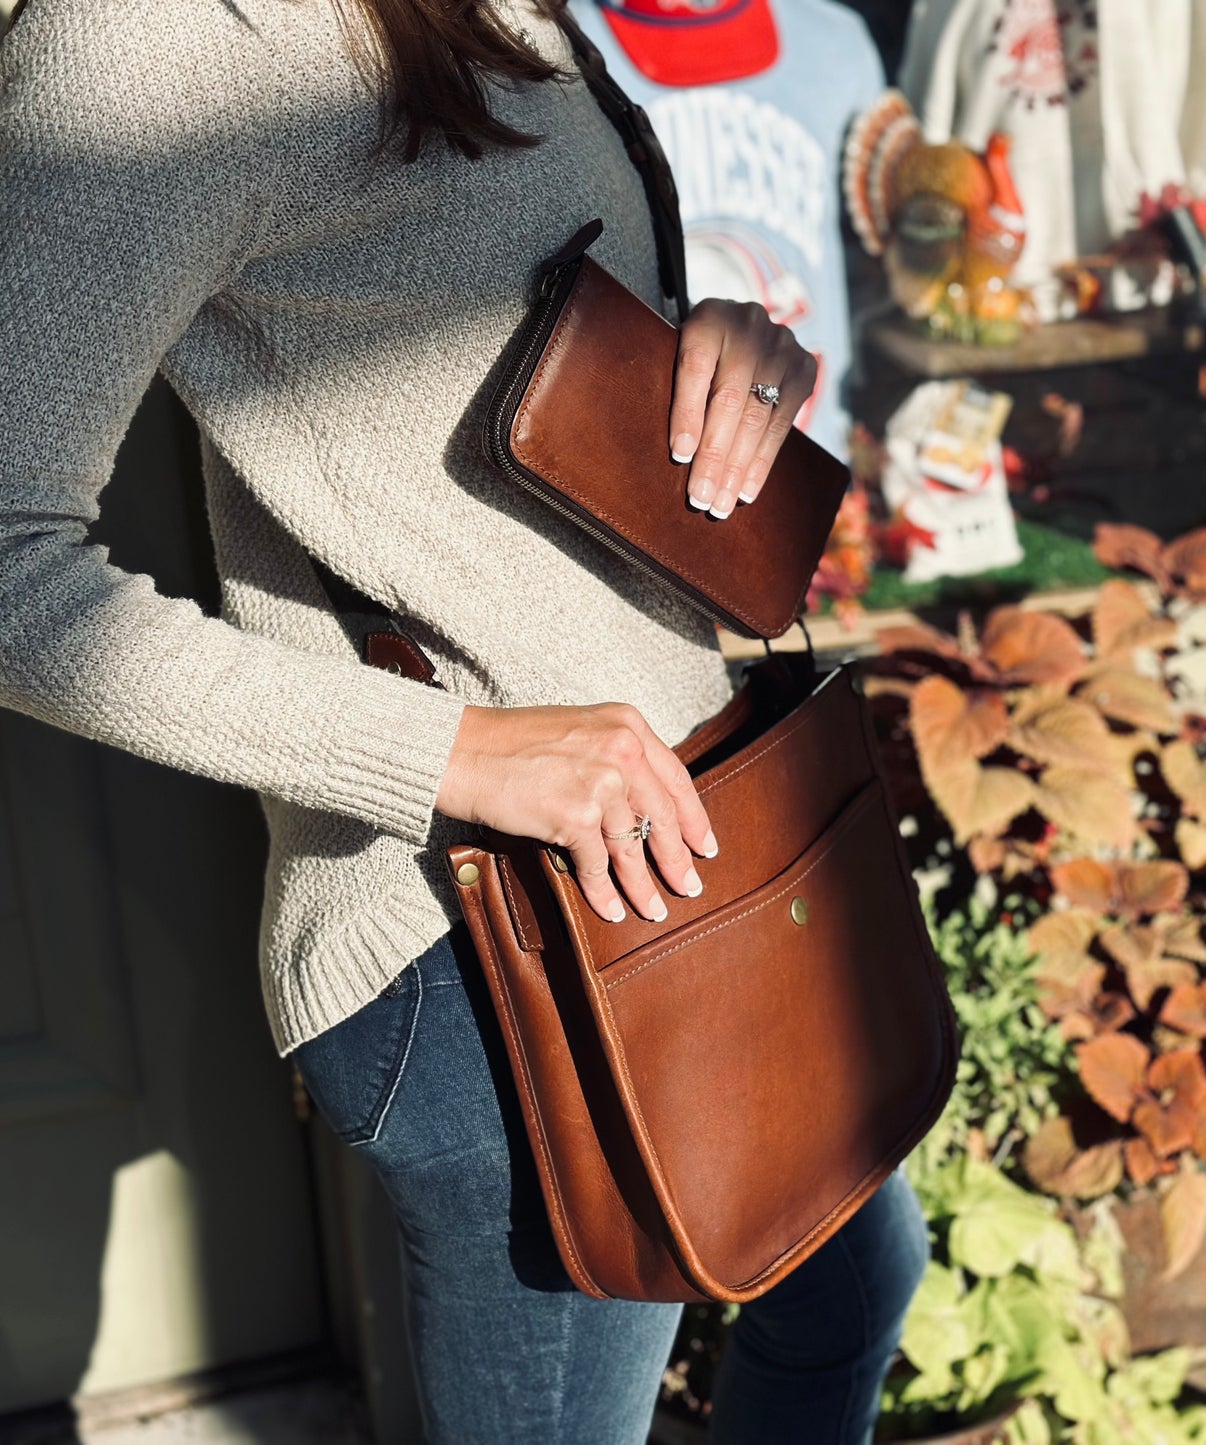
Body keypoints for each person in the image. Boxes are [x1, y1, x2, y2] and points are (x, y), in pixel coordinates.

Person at [0, 3, 927, 1443]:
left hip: (694, 831)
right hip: (486, 939)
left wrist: (709, 348)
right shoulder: (148, 40)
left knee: (849, 1291)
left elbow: (481, 329)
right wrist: (460, 754)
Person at [573, 0, 886, 462]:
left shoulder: (837, 42)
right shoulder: (541, 44)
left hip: (813, 469)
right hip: (627, 465)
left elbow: (874, 270)